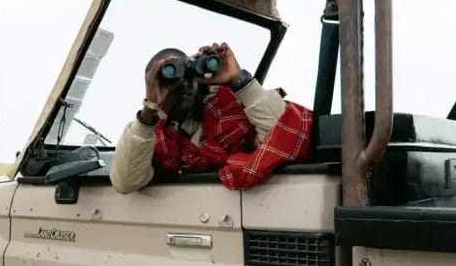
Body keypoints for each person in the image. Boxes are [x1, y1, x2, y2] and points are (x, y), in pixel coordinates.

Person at [109, 43, 312, 194]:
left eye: (189, 73)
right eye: (170, 76)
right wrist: (151, 108)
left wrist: (239, 81)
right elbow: (126, 182)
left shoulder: (230, 109)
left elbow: (284, 136)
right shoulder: (152, 133)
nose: (184, 83)